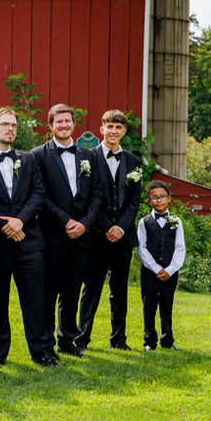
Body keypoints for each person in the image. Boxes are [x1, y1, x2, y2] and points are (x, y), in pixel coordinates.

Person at [0, 108, 55, 367]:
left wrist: (21, 221)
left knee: (34, 299)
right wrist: (5, 224)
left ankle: (40, 351)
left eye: (14, 126)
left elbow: (38, 193)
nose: (10, 130)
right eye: (5, 125)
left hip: (28, 242)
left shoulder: (28, 159)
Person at [31, 104, 103, 359]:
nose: (63, 125)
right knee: (49, 292)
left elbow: (96, 194)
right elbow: (40, 195)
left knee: (72, 291)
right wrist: (65, 221)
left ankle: (67, 340)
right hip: (51, 235)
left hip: (82, 236)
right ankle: (46, 343)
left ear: (74, 124)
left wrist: (84, 223)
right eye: (58, 122)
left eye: (67, 121)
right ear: (50, 126)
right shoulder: (37, 155)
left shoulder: (89, 156)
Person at [77, 110, 142, 352]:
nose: (114, 131)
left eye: (118, 127)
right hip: (96, 235)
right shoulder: (88, 158)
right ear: (101, 129)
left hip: (123, 238)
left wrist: (121, 228)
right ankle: (82, 339)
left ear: (124, 131)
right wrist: (106, 227)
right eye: (109, 126)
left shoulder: (133, 162)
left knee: (119, 290)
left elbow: (134, 201)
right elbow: (87, 199)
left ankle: (119, 339)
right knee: (91, 288)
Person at [137, 180, 185, 351]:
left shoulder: (176, 222)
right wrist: (157, 269)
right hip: (150, 272)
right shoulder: (144, 222)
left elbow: (180, 249)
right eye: (154, 197)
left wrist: (170, 270)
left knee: (167, 304)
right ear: (149, 201)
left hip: (170, 272)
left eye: (162, 196)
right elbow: (141, 248)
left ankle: (168, 340)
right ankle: (149, 341)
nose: (158, 200)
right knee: (149, 305)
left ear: (169, 199)